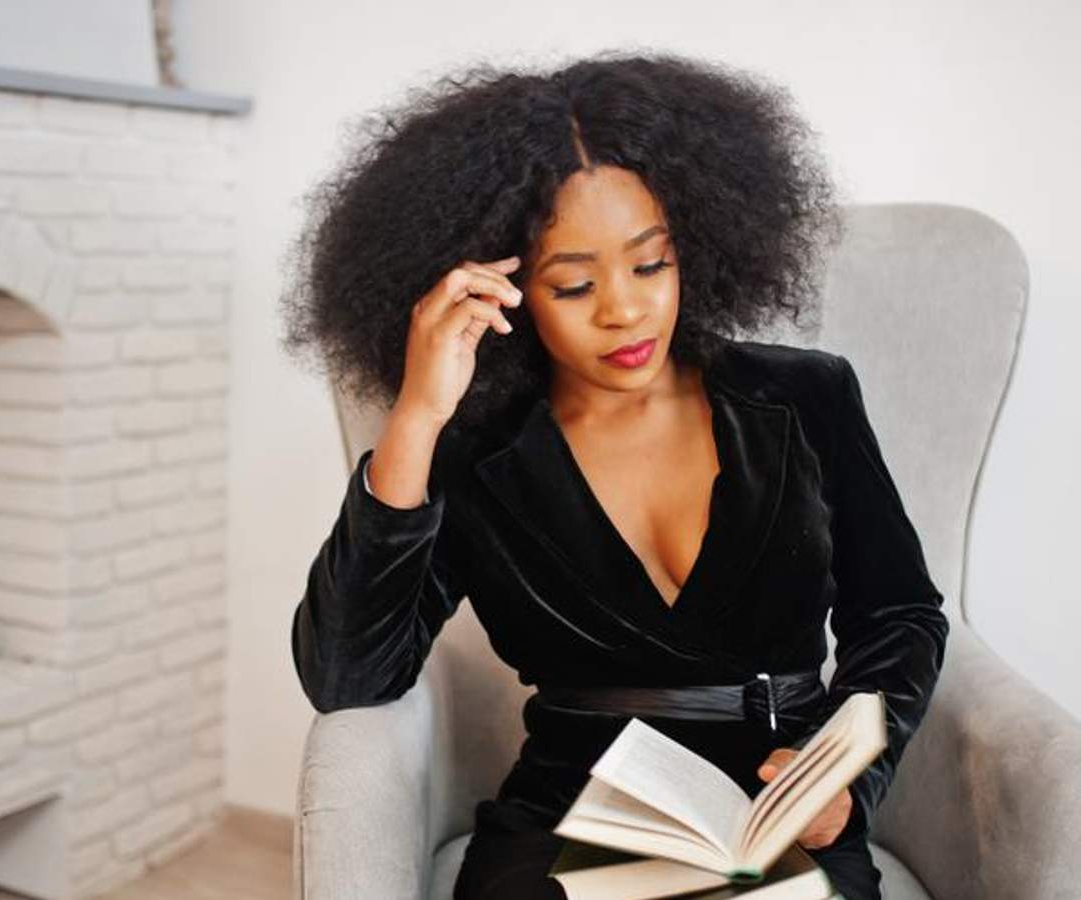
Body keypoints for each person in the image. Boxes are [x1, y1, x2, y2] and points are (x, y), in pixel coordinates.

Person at [281, 51, 949, 900]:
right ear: (504, 287)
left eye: (651, 264)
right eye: (574, 284)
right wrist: (415, 419)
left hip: (775, 801)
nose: (625, 310)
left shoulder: (806, 397)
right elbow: (347, 674)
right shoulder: (475, 450)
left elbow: (898, 613)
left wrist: (846, 776)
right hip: (574, 810)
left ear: (697, 247)